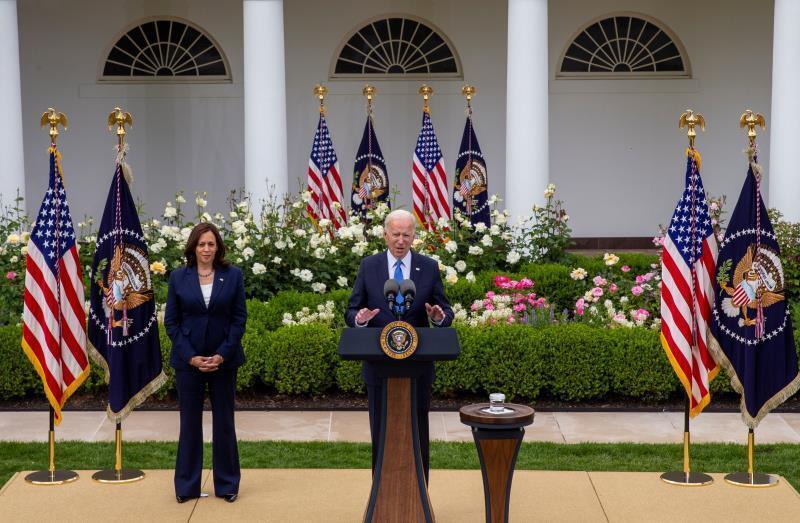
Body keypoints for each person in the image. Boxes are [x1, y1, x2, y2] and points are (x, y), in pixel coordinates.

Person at [345, 209, 454, 481]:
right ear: (385, 235)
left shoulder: (428, 267)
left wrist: (439, 317)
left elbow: (445, 310)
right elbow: (351, 310)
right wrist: (359, 319)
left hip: (417, 368)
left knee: (417, 432)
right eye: (396, 234)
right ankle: (380, 498)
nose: (401, 240)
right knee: (381, 433)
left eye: (407, 234)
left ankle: (420, 497)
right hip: (379, 368)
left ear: (414, 236)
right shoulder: (369, 266)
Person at [164, 222, 246, 503]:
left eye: (211, 244)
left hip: (225, 360)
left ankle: (227, 485)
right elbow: (171, 323)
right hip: (189, 363)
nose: (206, 249)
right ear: (193, 248)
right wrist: (191, 357)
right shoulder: (178, 277)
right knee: (189, 424)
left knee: (224, 422)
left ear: (218, 247)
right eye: (201, 244)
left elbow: (239, 320)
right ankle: (186, 487)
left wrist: (222, 354)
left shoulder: (233, 276)